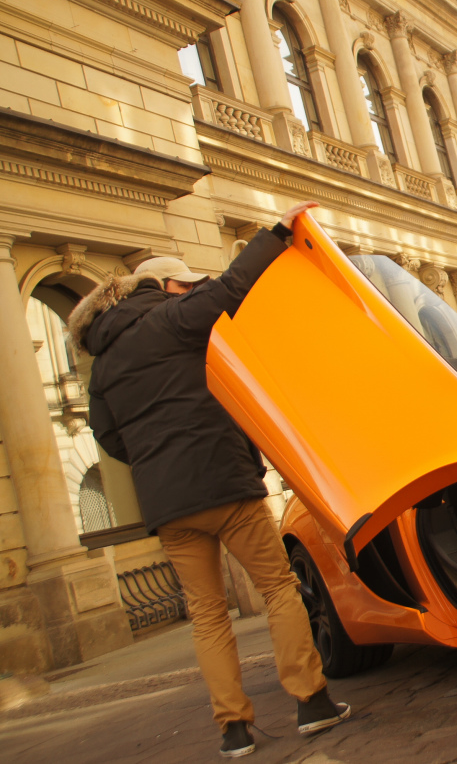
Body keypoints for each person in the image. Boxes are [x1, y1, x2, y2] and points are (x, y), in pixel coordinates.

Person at [70, 201, 348, 759]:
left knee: (206, 613)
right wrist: (278, 229)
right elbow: (232, 285)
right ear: (167, 286)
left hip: (168, 505)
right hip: (225, 484)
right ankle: (310, 701)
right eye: (184, 285)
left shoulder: (103, 367)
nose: (190, 291)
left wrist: (153, 459)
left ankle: (234, 729)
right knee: (277, 588)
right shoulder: (172, 318)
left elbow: (108, 436)